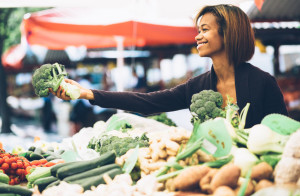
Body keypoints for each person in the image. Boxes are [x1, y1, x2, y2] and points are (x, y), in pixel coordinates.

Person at [50, 4, 288, 128]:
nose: (198, 36)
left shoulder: (263, 83)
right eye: (198, 31)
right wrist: (88, 93)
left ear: (228, 33)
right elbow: (148, 102)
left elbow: (284, 134)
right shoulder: (197, 86)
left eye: (205, 30)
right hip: (212, 177)